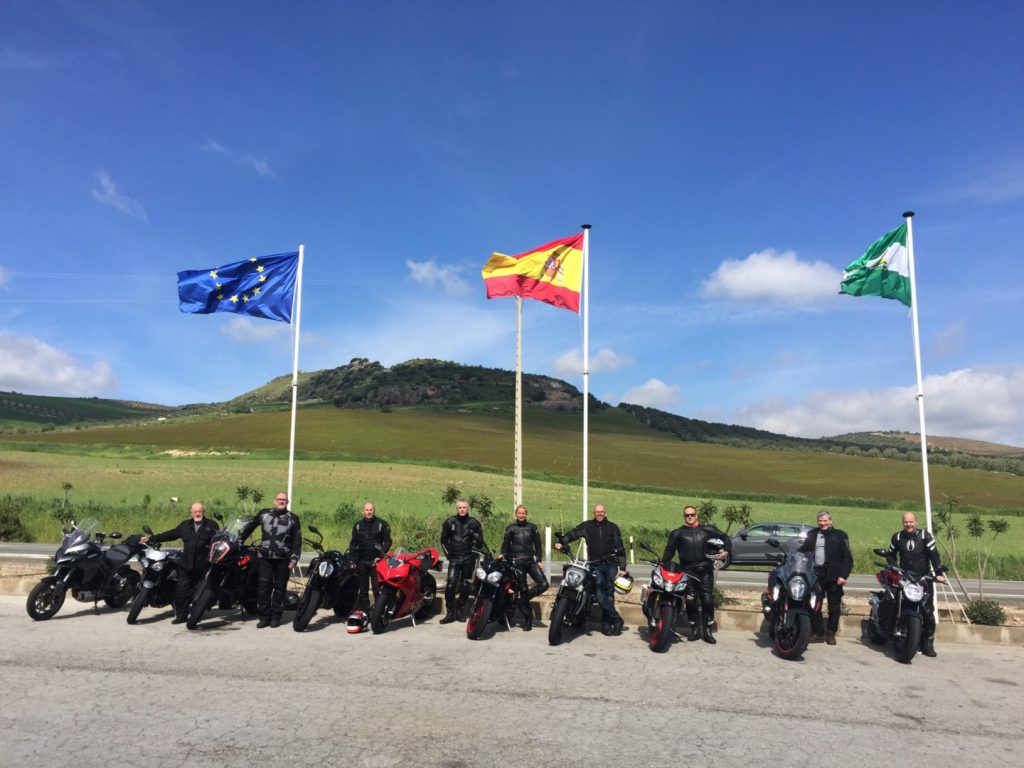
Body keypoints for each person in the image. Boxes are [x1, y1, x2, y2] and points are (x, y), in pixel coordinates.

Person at [555, 503, 628, 635]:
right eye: (597, 512)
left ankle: (606, 624)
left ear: (605, 513)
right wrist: (562, 542)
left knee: (609, 594)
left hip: (611, 564)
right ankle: (617, 620)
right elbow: (574, 533)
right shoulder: (587, 526)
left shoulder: (613, 528)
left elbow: (620, 547)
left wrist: (622, 567)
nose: (599, 514)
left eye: (601, 512)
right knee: (599, 595)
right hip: (595, 564)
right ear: (593, 514)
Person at [661, 505, 731, 644]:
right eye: (687, 515)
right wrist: (663, 564)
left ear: (696, 515)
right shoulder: (677, 533)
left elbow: (725, 537)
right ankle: (695, 629)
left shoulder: (708, 529)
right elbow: (669, 551)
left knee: (707, 600)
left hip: (705, 569)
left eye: (692, 514)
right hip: (687, 570)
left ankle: (707, 631)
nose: (690, 517)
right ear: (684, 517)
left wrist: (726, 550)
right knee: (690, 600)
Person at [142, 501, 218, 624]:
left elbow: (219, 540)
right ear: (191, 513)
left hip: (203, 565)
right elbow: (171, 534)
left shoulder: (212, 525)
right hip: (186, 564)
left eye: (200, 511)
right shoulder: (185, 525)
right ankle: (181, 615)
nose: (197, 514)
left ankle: (196, 613)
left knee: (200, 591)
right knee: (181, 590)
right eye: (195, 511)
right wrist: (152, 538)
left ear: (203, 512)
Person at [887, 512, 947, 657]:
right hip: (904, 577)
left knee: (927, 612)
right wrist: (894, 567)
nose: (908, 524)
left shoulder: (925, 536)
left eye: (911, 522)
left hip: (923, 578)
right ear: (902, 522)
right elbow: (890, 554)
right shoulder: (897, 537)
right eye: (906, 522)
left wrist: (938, 572)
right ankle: (894, 632)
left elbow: (934, 555)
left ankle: (927, 642)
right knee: (897, 605)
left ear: (916, 522)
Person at [238, 491, 301, 628]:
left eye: (284, 500)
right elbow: (250, 527)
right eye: (279, 499)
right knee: (263, 588)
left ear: (287, 502)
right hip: (265, 558)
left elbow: (297, 541)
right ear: (275, 500)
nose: (281, 501)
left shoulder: (293, 518)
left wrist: (294, 559)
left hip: (283, 560)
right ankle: (264, 617)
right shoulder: (264, 514)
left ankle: (276, 617)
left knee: (279, 589)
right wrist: (240, 539)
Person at [797, 509, 853, 645]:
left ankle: (831, 634)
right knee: (815, 604)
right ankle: (818, 633)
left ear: (830, 521)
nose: (823, 523)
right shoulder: (812, 534)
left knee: (834, 607)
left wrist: (843, 575)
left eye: (825, 521)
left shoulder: (840, 535)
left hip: (835, 576)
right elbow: (803, 550)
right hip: (816, 575)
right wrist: (791, 556)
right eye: (820, 521)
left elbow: (848, 558)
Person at [500, 505, 548, 631]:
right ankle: (528, 620)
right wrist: (502, 555)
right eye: (519, 513)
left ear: (526, 515)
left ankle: (523, 599)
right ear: (516, 514)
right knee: (523, 588)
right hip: (517, 562)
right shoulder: (511, 528)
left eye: (523, 513)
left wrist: (538, 560)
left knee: (544, 584)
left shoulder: (532, 527)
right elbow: (505, 545)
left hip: (530, 561)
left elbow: (538, 545)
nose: (521, 515)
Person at [439, 499, 484, 624]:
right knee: (450, 585)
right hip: (454, 557)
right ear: (457, 509)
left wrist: (474, 556)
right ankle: (450, 613)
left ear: (468, 508)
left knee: (465, 585)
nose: (462, 509)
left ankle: (460, 612)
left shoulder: (474, 523)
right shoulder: (450, 522)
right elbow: (443, 540)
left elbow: (480, 542)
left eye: (464, 507)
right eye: (460, 507)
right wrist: (448, 555)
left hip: (468, 558)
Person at [348, 502, 392, 610]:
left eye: (371, 510)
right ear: (363, 511)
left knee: (377, 590)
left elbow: (387, 542)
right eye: (367, 510)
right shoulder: (357, 526)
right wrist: (352, 559)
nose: (369, 512)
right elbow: (353, 543)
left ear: (374, 511)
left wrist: (381, 556)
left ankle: (378, 613)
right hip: (362, 561)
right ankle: (365, 613)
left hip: (376, 562)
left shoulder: (382, 524)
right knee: (363, 590)